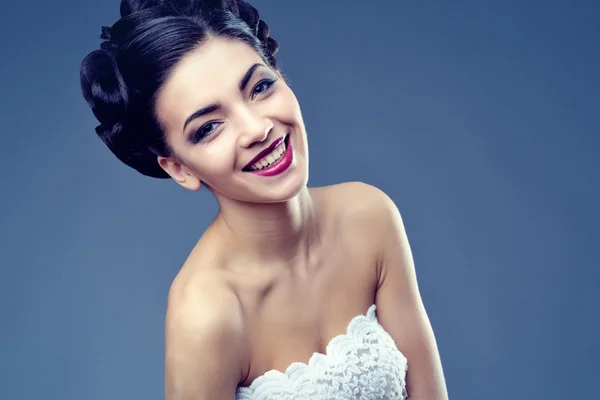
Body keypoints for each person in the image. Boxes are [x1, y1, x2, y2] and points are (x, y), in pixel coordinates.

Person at [80, 0, 449, 398]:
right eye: (209, 128)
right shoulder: (208, 312)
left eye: (259, 87)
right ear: (179, 168)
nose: (257, 128)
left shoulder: (370, 216)